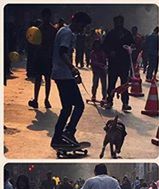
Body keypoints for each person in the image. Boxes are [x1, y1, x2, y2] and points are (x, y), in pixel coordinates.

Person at [50, 12, 92, 148]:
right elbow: (63, 52)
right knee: (79, 105)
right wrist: (72, 68)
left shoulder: (64, 31)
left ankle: (57, 138)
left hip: (61, 74)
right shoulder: (67, 33)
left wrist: (72, 72)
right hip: (63, 74)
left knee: (67, 108)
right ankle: (68, 132)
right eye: (84, 26)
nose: (83, 29)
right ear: (79, 23)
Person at [102, 16, 134, 112]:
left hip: (124, 63)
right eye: (117, 22)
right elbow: (104, 46)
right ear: (114, 23)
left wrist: (131, 48)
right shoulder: (111, 34)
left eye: (120, 22)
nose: (119, 24)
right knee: (111, 83)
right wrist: (110, 51)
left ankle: (125, 103)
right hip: (113, 63)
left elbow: (133, 44)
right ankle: (109, 100)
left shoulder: (127, 34)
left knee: (124, 84)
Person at [29, 8, 57, 110]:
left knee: (43, 79)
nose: (46, 18)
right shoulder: (50, 30)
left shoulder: (40, 29)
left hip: (44, 57)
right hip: (43, 57)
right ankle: (39, 99)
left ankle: (43, 99)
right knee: (41, 79)